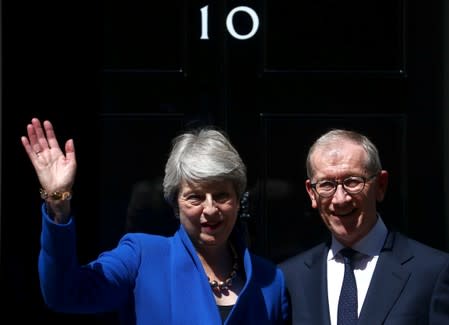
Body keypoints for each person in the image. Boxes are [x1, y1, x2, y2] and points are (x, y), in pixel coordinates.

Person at [21, 118, 290, 324]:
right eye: (195, 198)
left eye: (221, 195)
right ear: (175, 205)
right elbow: (64, 294)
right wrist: (58, 203)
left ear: (237, 199)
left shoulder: (270, 280)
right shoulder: (141, 257)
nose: (210, 210)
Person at [280, 129, 449, 325]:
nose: (340, 199)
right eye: (326, 184)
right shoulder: (289, 278)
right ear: (311, 193)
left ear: (380, 185)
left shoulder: (432, 272)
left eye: (352, 182)